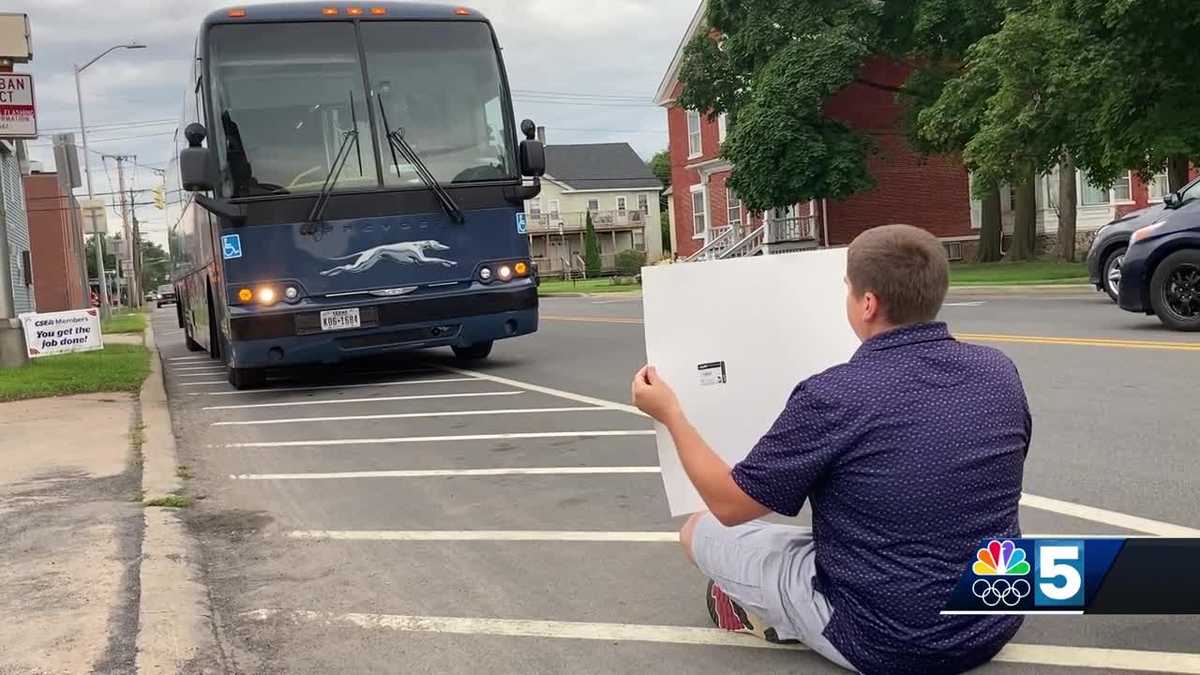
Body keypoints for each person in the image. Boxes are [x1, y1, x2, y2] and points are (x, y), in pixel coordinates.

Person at [631, 224, 1030, 674]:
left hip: (889, 642)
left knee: (698, 530)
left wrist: (672, 416)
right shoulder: (999, 371)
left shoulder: (835, 395)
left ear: (868, 303)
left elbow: (729, 504)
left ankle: (762, 614)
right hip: (995, 617)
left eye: (847, 290)